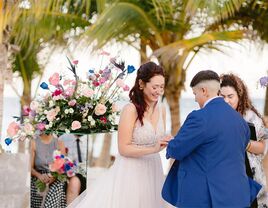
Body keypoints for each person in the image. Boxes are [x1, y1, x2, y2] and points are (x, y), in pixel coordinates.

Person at [68, 61, 169, 208]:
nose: (159, 91)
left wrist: (168, 141)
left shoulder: (162, 109)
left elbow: (159, 139)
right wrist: (153, 149)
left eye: (162, 87)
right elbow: (123, 149)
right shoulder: (130, 109)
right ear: (141, 84)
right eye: (155, 87)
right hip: (131, 170)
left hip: (153, 168)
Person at [162, 70, 261, 208]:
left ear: (204, 90)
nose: (195, 99)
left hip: (207, 198)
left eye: (195, 94)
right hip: (238, 196)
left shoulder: (199, 117)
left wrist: (171, 142)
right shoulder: (240, 121)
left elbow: (177, 150)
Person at [220, 73, 268, 207]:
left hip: (250, 180)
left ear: (239, 96)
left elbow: (263, 147)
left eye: (230, 96)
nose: (226, 101)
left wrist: (244, 143)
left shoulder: (251, 118)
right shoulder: (215, 117)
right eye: (222, 96)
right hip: (224, 182)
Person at [31, 133, 83, 207]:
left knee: (54, 192)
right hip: (39, 176)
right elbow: (30, 168)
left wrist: (53, 177)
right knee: (36, 191)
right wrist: (39, 176)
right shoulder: (34, 142)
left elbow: (62, 165)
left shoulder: (60, 143)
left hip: (55, 176)